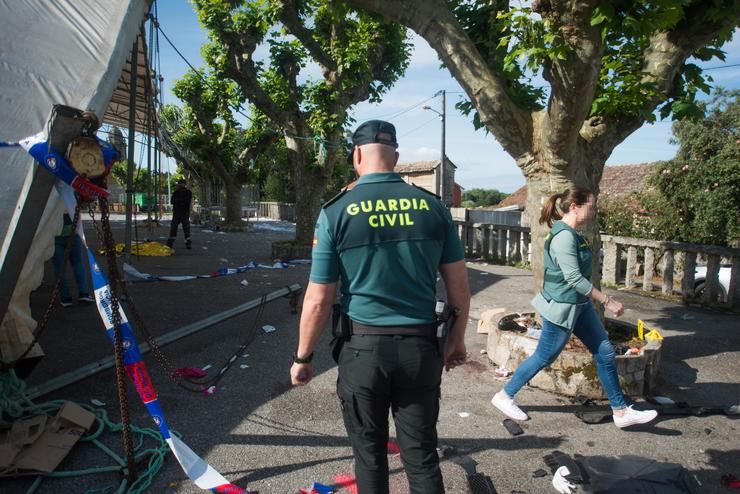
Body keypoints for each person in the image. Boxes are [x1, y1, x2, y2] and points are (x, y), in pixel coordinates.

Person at [290, 120, 470, 494]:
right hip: (421, 350)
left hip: (363, 353)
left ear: (356, 155)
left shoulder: (336, 212)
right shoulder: (433, 209)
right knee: (420, 456)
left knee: (369, 457)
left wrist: (304, 357)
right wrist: (456, 340)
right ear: (397, 157)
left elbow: (319, 298)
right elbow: (459, 290)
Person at [490, 186, 658, 429]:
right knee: (544, 356)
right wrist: (608, 301)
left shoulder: (574, 233)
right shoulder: (563, 237)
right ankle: (505, 395)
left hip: (580, 306)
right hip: (561, 308)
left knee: (605, 352)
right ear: (574, 207)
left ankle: (620, 412)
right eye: (591, 206)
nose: (594, 210)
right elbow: (574, 279)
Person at [52, 213, 93, 307]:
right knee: (77, 262)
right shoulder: (71, 198)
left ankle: (65, 298)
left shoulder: (50, 199)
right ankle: (84, 293)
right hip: (73, 232)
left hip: (55, 235)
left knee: (59, 268)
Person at [167, 178, 192, 249]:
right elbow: (172, 201)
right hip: (177, 212)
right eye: (180, 183)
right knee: (174, 227)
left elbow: (187, 201)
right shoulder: (176, 192)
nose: (181, 185)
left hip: (184, 212)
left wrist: (179, 202)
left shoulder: (188, 192)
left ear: (185, 184)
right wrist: (181, 202)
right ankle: (171, 241)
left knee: (186, 227)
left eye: (182, 183)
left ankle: (188, 241)